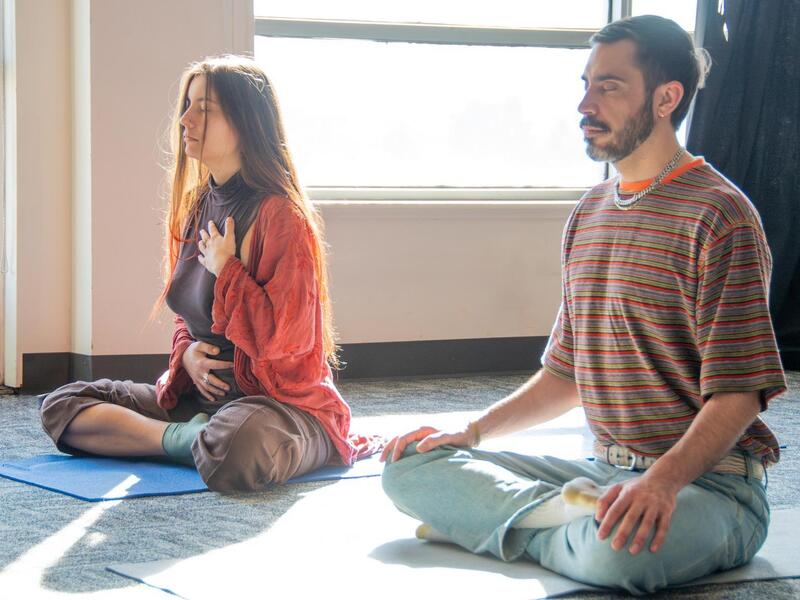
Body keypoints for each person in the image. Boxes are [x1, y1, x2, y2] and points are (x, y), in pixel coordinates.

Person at [380, 15, 786, 595]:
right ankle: (561, 523)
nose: (584, 105)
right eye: (585, 84)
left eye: (609, 87)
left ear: (667, 97)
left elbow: (740, 394)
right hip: (601, 476)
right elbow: (567, 375)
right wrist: (468, 434)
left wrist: (662, 483)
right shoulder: (588, 214)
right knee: (408, 468)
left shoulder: (721, 217)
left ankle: (513, 525)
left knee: (618, 559)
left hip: (711, 487)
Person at [41, 56, 375, 492]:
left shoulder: (282, 217)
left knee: (238, 446)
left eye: (203, 109)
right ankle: (185, 440)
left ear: (244, 122)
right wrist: (186, 355)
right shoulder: (199, 205)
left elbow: (286, 342)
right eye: (187, 105)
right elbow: (187, 316)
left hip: (276, 405)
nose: (185, 119)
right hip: (202, 403)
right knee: (61, 405)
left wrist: (228, 269)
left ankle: (193, 440)